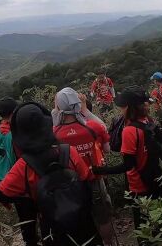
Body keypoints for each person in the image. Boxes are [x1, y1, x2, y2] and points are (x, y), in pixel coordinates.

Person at [0, 102, 100, 246]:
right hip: (82, 224)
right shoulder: (69, 152)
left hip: (52, 230)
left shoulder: (23, 167)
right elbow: (86, 177)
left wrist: (30, 197)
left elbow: (0, 194)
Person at [93, 86, 162, 237]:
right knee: (160, 223)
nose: (120, 109)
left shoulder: (130, 131)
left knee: (143, 229)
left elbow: (128, 165)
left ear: (128, 107)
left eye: (122, 106)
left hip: (139, 185)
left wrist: (100, 170)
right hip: (155, 178)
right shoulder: (147, 121)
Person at [52, 87, 117, 246]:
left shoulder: (54, 133)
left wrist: (56, 111)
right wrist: (85, 110)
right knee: (103, 217)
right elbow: (107, 147)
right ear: (77, 103)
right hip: (95, 178)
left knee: (80, 219)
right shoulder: (93, 127)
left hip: (70, 185)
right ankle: (108, 243)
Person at [0, 97, 40, 246]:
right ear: (15, 111)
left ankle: (29, 241)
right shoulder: (19, 131)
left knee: (25, 218)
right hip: (25, 178)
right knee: (39, 212)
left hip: (10, 180)